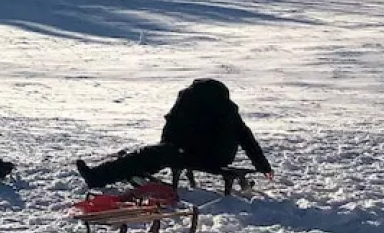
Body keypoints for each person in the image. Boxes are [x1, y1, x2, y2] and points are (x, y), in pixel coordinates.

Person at [75, 78, 272, 188]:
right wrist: (263, 166)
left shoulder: (201, 109)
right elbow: (247, 138)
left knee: (155, 154)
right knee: (155, 154)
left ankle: (98, 176)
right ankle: (125, 169)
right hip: (208, 154)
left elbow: (246, 138)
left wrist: (263, 166)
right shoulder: (220, 109)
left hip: (207, 156)